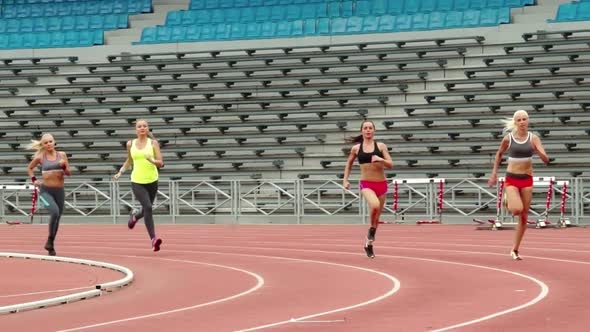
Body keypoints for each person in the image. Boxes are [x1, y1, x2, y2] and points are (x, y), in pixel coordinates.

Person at [488, 110, 550, 260]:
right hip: (512, 179)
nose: (522, 122)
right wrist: (494, 173)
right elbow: (499, 154)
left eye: (524, 119)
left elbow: (546, 159)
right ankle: (507, 199)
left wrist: (538, 152)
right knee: (516, 210)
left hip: (527, 179)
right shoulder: (508, 139)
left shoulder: (533, 138)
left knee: (523, 217)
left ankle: (515, 249)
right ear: (515, 122)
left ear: (528, 121)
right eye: (519, 120)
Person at [343, 120, 393, 258]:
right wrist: (345, 180)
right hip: (366, 184)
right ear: (362, 131)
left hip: (381, 184)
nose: (368, 130)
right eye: (365, 128)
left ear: (374, 131)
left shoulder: (381, 146)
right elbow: (349, 164)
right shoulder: (356, 148)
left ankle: (368, 244)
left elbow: (391, 164)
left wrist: (381, 159)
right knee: (375, 205)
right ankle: (371, 230)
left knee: (377, 217)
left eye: (370, 128)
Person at [113, 119, 164, 252]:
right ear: (135, 129)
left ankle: (134, 216)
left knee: (147, 209)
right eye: (139, 126)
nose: (142, 128)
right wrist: (120, 172)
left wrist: (152, 160)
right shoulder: (130, 144)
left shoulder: (153, 143)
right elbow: (129, 160)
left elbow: (161, 163)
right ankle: (153, 239)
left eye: (144, 126)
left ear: (148, 129)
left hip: (152, 180)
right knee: (147, 207)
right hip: (137, 181)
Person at [27, 133, 71, 256]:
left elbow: (68, 173)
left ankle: (50, 243)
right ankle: (50, 241)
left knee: (57, 219)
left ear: (54, 142)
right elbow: (29, 168)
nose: (48, 144)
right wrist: (34, 180)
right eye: (45, 143)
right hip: (45, 192)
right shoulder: (41, 157)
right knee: (54, 212)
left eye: (50, 141)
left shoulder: (62, 155)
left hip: (59, 192)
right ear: (42, 145)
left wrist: (63, 166)